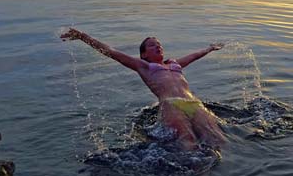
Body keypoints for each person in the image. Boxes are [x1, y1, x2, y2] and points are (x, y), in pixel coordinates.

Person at [61, 28, 225, 150]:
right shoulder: (144, 66)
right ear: (144, 54)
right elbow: (111, 52)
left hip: (194, 104)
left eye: (159, 44)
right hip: (171, 105)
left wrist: (210, 48)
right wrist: (83, 37)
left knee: (218, 139)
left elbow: (194, 55)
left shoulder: (175, 64)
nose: (157, 46)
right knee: (188, 143)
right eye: (152, 45)